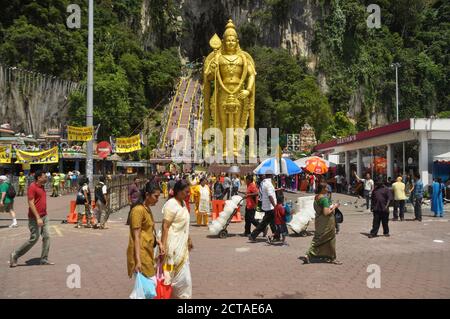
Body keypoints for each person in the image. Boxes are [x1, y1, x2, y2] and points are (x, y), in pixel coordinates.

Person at [9, 170, 54, 267]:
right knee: (34, 238)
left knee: (47, 237)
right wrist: (38, 218)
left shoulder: (42, 187)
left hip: (44, 216)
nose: (46, 178)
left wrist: (42, 216)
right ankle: (15, 254)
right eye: (44, 176)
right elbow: (30, 203)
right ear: (39, 178)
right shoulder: (32, 187)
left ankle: (44, 259)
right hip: (34, 217)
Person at [161, 180, 193, 299]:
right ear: (178, 191)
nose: (188, 194)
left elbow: (184, 224)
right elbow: (165, 227)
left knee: (184, 280)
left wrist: (188, 239)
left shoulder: (183, 203)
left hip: (182, 247)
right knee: (172, 277)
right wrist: (163, 247)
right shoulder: (171, 204)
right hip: (172, 247)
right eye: (186, 192)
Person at [127, 181, 164, 282]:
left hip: (148, 252)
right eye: (156, 196)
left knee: (148, 289)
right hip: (141, 254)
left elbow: (149, 230)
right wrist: (138, 261)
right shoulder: (138, 210)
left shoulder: (146, 209)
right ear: (147, 195)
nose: (157, 200)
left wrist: (159, 242)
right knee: (150, 285)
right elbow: (136, 237)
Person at [300, 182, 342, 265]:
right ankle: (310, 254)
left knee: (318, 238)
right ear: (322, 189)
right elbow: (326, 212)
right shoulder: (324, 199)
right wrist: (335, 206)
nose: (327, 189)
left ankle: (327, 256)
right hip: (326, 223)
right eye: (326, 188)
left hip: (319, 221)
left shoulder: (316, 197)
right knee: (329, 239)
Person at [249, 172, 277, 242]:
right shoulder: (269, 184)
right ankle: (253, 235)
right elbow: (270, 196)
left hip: (266, 205)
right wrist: (275, 206)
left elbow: (265, 192)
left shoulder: (263, 183)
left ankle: (276, 236)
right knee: (264, 223)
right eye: (273, 175)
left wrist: (276, 190)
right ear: (270, 176)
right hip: (270, 206)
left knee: (272, 221)